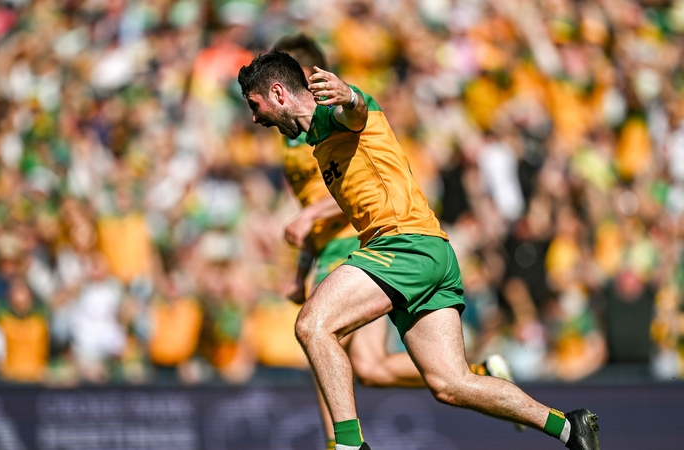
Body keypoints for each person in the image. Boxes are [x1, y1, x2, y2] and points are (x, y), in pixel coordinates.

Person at [237, 51, 600, 450]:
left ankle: (349, 446)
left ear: (278, 93)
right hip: (431, 250)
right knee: (451, 384)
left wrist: (350, 95)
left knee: (313, 325)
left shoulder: (332, 114)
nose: (254, 118)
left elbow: (357, 112)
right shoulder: (317, 142)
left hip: (402, 245)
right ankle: (568, 426)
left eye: (255, 105)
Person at [272, 34, 522, 450]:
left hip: (356, 247)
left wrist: (312, 215)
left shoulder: (332, 121)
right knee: (370, 368)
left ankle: (339, 444)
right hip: (337, 248)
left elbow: (355, 194)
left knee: (318, 336)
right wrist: (301, 269)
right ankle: (479, 374)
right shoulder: (293, 140)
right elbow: (324, 198)